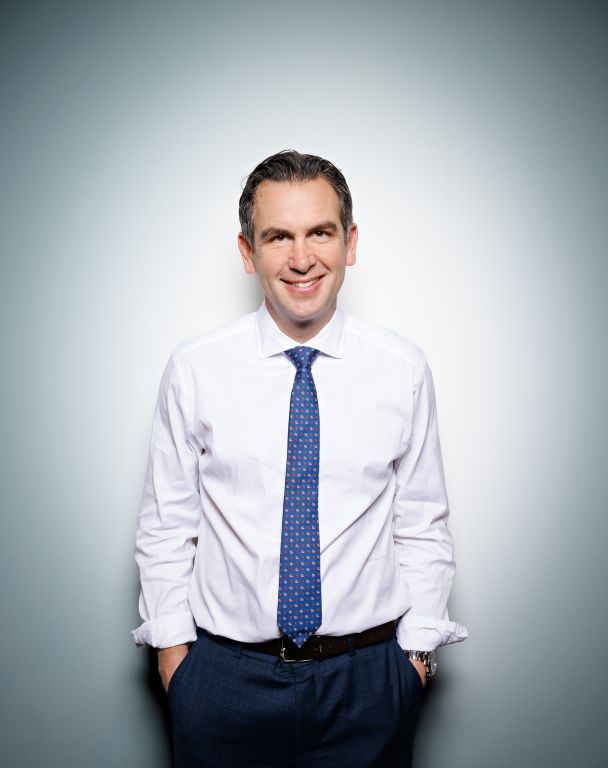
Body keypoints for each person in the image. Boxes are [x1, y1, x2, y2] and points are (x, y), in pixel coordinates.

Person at [132, 150, 467, 767]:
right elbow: (167, 524)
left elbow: (421, 521)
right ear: (246, 251)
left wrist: (415, 660)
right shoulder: (196, 368)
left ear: (351, 242)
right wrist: (176, 660)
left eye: (321, 232)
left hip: (367, 685)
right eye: (277, 236)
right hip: (223, 681)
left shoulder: (402, 369)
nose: (302, 257)